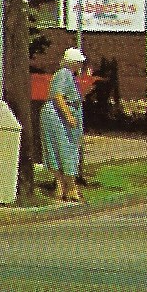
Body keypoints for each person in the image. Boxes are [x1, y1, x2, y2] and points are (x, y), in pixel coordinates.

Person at [42, 47, 88, 202]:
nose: (81, 66)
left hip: (58, 116)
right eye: (79, 63)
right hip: (57, 118)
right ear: (73, 63)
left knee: (61, 150)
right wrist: (68, 116)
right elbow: (58, 96)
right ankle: (70, 188)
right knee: (65, 150)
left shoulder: (69, 76)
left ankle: (62, 187)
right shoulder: (64, 74)